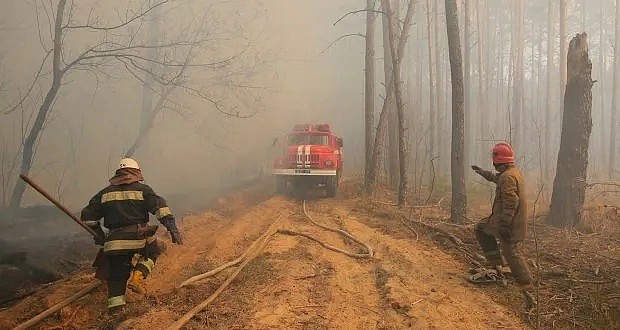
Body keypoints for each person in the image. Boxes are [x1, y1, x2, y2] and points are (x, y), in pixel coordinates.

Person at [80, 157, 183, 313]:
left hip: (113, 243)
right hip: (137, 238)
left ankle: (116, 312)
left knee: (116, 278)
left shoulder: (104, 193)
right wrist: (172, 228)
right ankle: (137, 277)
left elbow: (87, 217)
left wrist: (99, 235)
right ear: (136, 173)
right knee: (154, 250)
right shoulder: (143, 190)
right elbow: (161, 210)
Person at [470, 142, 535, 311]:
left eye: (495, 162)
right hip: (502, 221)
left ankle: (527, 288)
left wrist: (505, 225)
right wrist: (482, 172)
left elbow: (511, 202)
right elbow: (495, 178)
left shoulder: (508, 177)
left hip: (509, 224)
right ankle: (499, 265)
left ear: (500, 162)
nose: (494, 165)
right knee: (481, 228)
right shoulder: (511, 173)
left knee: (512, 252)